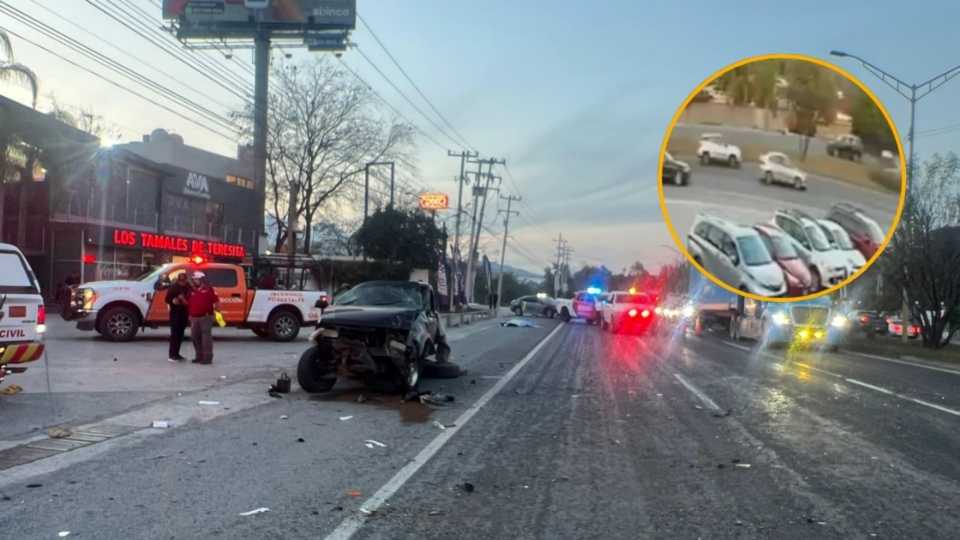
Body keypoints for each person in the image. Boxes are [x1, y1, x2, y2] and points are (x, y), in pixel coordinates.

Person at [187, 272, 220, 365]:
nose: (194, 281)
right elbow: (190, 303)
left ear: (202, 279)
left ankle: (207, 358)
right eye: (194, 279)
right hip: (194, 317)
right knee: (194, 337)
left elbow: (216, 302)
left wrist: (217, 316)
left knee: (206, 338)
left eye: (196, 279)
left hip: (206, 316)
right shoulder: (192, 290)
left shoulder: (209, 289)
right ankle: (199, 356)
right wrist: (190, 315)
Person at [166, 272, 191, 363]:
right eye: (181, 281)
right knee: (175, 334)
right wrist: (173, 301)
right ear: (178, 280)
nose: (183, 282)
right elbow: (167, 299)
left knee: (180, 335)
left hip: (184, 313)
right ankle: (172, 355)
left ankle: (177, 354)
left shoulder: (188, 287)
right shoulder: (174, 287)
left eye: (184, 280)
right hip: (175, 313)